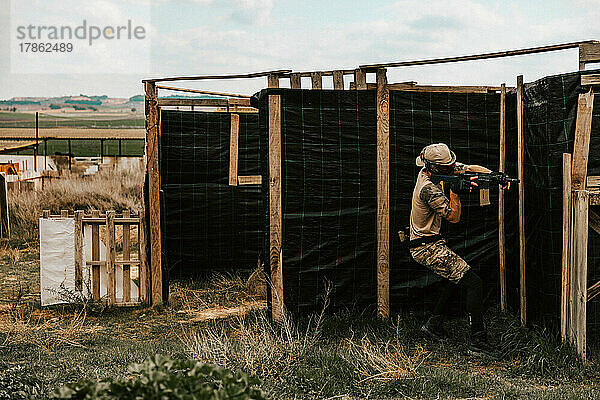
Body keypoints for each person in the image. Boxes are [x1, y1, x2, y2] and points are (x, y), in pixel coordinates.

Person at [408, 143, 496, 357]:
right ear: (434, 169)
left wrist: (495, 177)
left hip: (431, 242)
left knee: (455, 277)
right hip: (425, 247)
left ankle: (433, 325)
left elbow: (468, 168)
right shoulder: (427, 188)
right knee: (474, 282)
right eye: (447, 168)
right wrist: (456, 192)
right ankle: (478, 342)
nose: (452, 167)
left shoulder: (438, 170)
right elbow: (453, 217)